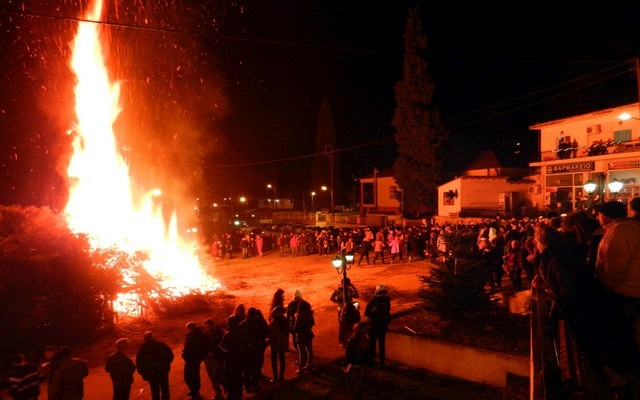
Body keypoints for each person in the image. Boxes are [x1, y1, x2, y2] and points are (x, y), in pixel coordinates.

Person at [594, 200, 640, 391]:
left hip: (625, 292)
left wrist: (606, 286)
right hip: (632, 290)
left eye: (598, 214)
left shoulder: (619, 232)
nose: (596, 218)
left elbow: (614, 268)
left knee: (623, 333)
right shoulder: (632, 228)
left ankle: (628, 371)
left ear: (605, 216)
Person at [136, 331, 174, 400]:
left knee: (154, 391)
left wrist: (144, 374)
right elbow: (170, 356)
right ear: (153, 337)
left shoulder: (142, 350)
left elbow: (139, 363)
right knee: (165, 388)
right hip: (163, 371)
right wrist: (166, 365)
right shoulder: (161, 345)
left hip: (151, 374)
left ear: (145, 339)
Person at [219, 316, 247, 400]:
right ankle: (239, 395)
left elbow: (222, 347)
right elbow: (246, 343)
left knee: (230, 379)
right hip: (241, 359)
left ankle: (231, 395)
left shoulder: (228, 334)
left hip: (230, 361)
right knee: (239, 378)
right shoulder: (242, 332)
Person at [342, 323, 372, 400]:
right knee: (359, 381)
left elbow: (349, 354)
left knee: (351, 382)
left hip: (352, 364)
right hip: (360, 364)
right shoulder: (366, 339)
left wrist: (345, 365)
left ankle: (353, 396)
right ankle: (359, 396)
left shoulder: (352, 340)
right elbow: (368, 353)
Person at [364, 285, 391, 368]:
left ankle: (371, 360)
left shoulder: (375, 300)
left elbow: (367, 312)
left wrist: (372, 317)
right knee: (381, 341)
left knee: (372, 342)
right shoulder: (387, 299)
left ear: (377, 291)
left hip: (375, 324)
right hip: (384, 324)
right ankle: (382, 360)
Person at [182, 321, 208, 399]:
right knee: (192, 375)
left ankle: (195, 392)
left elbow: (193, 348)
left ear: (190, 328)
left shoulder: (195, 336)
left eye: (187, 328)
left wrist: (186, 354)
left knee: (191, 376)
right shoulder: (196, 334)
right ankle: (193, 391)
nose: (187, 330)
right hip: (193, 358)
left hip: (192, 359)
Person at [203, 319, 226, 400]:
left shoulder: (219, 333)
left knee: (219, 376)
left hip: (216, 358)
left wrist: (214, 352)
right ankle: (218, 393)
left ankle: (228, 391)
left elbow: (222, 344)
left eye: (208, 327)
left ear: (212, 326)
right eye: (205, 327)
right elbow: (203, 345)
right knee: (212, 377)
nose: (207, 328)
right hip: (207, 359)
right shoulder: (205, 334)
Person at [293, 295, 315, 373]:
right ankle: (309, 365)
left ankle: (300, 368)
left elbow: (295, 328)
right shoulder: (310, 315)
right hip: (308, 334)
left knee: (301, 353)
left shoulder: (299, 317)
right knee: (309, 351)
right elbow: (313, 323)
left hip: (301, 336)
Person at [268, 306, 289, 382]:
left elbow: (274, 334)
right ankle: (281, 375)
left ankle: (275, 377)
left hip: (276, 344)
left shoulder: (274, 323)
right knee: (282, 359)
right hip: (283, 343)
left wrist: (268, 341)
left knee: (274, 360)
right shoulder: (285, 321)